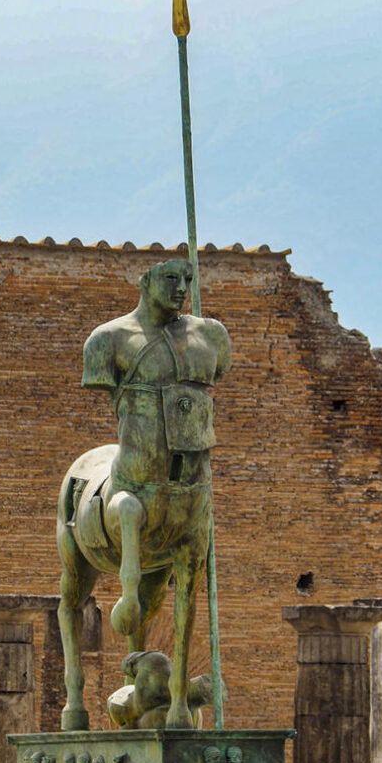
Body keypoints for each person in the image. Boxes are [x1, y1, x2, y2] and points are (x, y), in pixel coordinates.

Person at [80, 260, 231, 637]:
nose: (181, 287)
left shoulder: (210, 336)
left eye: (188, 279)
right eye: (170, 278)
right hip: (135, 473)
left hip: (191, 484)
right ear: (145, 281)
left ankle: (178, 694)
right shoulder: (108, 338)